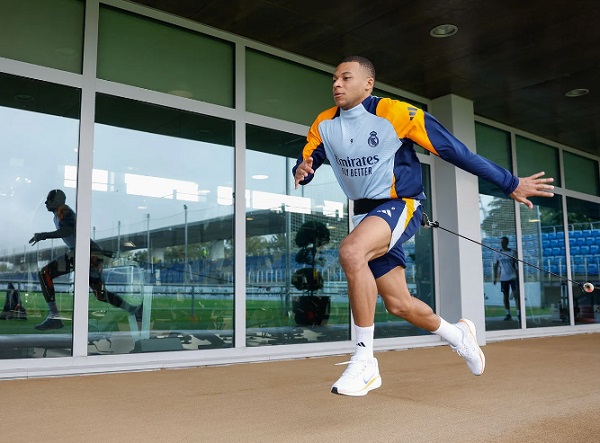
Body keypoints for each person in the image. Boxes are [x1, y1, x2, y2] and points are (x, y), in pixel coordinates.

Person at [292, 56, 554, 396]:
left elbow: (455, 151)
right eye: (334, 79)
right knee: (399, 304)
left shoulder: (398, 113)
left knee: (351, 251)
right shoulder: (325, 123)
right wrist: (303, 170)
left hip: (401, 205)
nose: (337, 84)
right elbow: (310, 157)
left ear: (368, 84)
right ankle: (458, 335)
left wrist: (509, 183)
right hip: (363, 216)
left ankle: (364, 362)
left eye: (345, 77)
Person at [29, 189, 142, 330]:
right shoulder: (59, 213)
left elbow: (68, 231)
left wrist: (43, 235)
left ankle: (54, 316)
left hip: (85, 252)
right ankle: (134, 309)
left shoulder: (63, 210)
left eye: (50, 199)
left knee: (45, 273)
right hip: (89, 252)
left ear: (58, 201)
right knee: (100, 294)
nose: (46, 202)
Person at [493, 236, 520, 321]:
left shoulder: (512, 253)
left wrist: (518, 276)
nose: (502, 244)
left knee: (516, 295)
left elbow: (517, 264)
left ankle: (519, 313)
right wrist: (495, 278)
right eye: (501, 242)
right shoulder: (498, 253)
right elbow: (495, 266)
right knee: (505, 296)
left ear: (507, 242)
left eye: (503, 242)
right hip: (503, 278)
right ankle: (508, 314)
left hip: (513, 276)